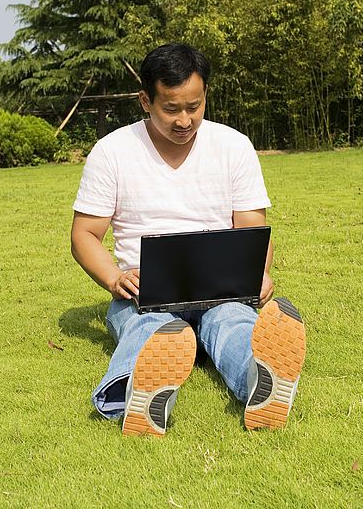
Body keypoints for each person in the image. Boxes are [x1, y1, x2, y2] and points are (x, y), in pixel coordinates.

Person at [71, 43, 306, 436]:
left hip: (222, 290)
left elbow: (251, 225)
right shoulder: (111, 152)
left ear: (205, 96)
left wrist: (257, 274)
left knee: (232, 320)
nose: (185, 120)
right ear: (146, 100)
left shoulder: (234, 146)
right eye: (172, 109)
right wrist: (115, 278)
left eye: (194, 107)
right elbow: (84, 234)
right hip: (144, 294)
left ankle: (260, 384)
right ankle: (132, 399)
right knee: (150, 328)